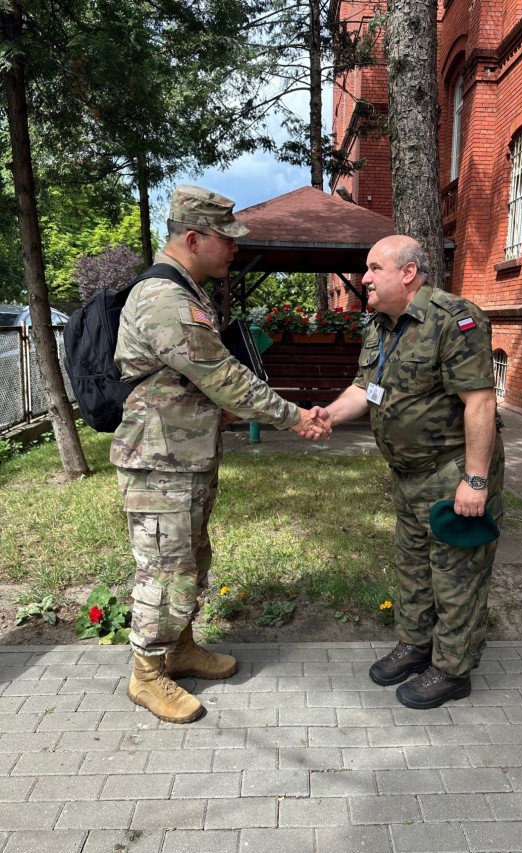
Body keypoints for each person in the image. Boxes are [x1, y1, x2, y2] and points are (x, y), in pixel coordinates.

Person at [111, 184, 329, 724]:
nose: (234, 249)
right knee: (163, 570)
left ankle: (179, 649)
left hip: (182, 457)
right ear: (193, 237)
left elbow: (198, 382)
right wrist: (294, 415)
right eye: (225, 239)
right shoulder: (166, 299)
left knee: (188, 561)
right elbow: (223, 377)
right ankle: (146, 675)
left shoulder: (186, 292)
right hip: (159, 463)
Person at [308, 235, 505, 710]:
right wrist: (331, 414)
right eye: (366, 269)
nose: (365, 279)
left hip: (451, 471)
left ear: (408, 273)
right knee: (413, 567)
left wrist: (475, 481)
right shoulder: (380, 325)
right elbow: (364, 387)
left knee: (456, 574)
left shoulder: (454, 320)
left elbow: (479, 402)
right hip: (408, 473)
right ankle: (417, 646)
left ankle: (454, 670)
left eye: (375, 269)